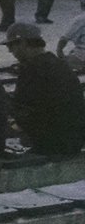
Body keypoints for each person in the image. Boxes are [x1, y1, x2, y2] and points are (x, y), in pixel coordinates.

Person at [5, 23, 85, 156]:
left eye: (11, 46)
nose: (10, 52)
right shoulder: (60, 64)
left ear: (23, 43)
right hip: (73, 140)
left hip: (50, 144)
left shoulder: (31, 70)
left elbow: (22, 111)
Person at [60, 0, 85, 74]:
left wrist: (59, 51)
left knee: (58, 65)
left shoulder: (80, 19)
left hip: (82, 54)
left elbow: (64, 38)